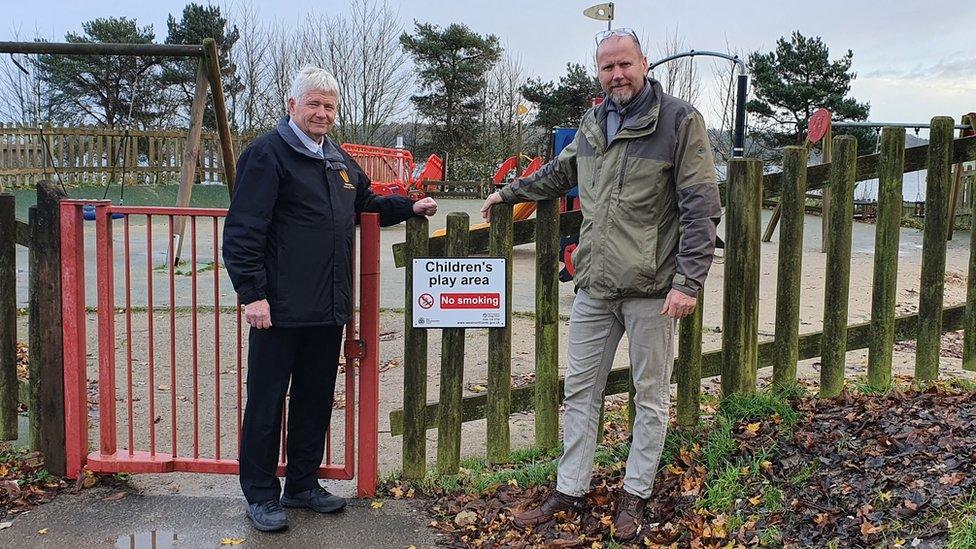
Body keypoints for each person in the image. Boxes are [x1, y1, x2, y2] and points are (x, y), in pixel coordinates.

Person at [480, 29, 720, 540]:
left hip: (654, 291)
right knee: (581, 392)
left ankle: (635, 494)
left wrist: (688, 282)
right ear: (599, 72)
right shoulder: (593, 123)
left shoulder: (679, 121)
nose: (617, 75)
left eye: (625, 64)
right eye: (607, 67)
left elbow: (701, 208)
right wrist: (508, 194)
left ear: (644, 63)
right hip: (594, 287)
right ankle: (570, 488)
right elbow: (558, 173)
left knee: (649, 396)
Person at [223, 66, 437, 532]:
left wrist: (409, 206)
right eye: (314, 104)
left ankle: (301, 484)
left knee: (314, 398)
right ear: (292, 106)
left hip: (327, 308)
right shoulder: (267, 155)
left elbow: (367, 204)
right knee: (266, 400)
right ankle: (260, 495)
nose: (322, 113)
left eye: (329, 107)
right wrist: (252, 294)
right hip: (277, 310)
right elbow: (243, 230)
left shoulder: (337, 159)